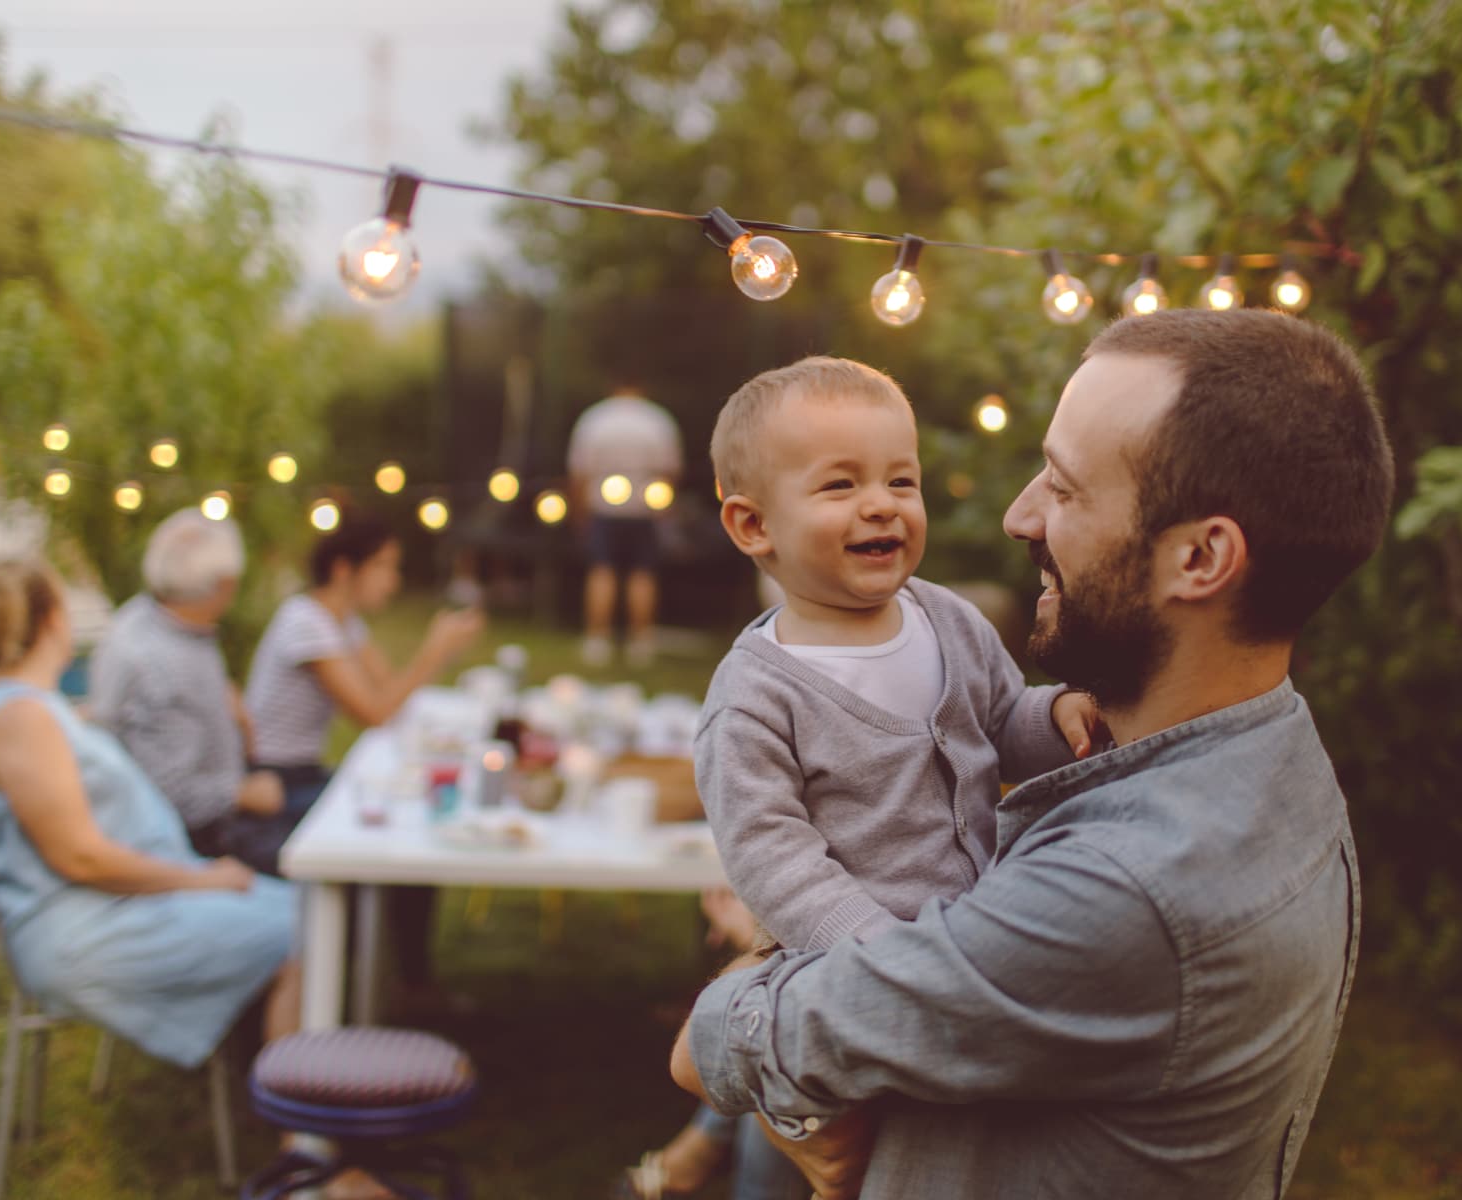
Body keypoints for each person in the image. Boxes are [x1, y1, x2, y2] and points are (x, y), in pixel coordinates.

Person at [670, 310, 1396, 1199]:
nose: (1020, 516)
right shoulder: (1274, 755)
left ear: (1202, 557)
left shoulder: (1126, 892)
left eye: (1063, 486)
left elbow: (707, 1048)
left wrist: (751, 981)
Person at [622, 357, 1097, 1200]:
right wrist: (873, 948)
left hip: (961, 952)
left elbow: (1000, 725)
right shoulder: (756, 695)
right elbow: (772, 856)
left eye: (900, 480)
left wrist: (1055, 719)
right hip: (846, 973)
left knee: (929, 1146)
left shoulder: (946, 620)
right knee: (819, 1157)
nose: (881, 504)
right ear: (751, 525)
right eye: (840, 485)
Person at [0, 559, 299, 1070]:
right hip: (87, 931)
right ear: (52, 622)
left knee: (304, 906)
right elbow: (80, 858)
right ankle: (306, 1132)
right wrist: (200, 879)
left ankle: (288, 1088)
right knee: (310, 926)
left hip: (110, 910)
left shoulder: (3, 704)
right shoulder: (22, 719)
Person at [243, 512, 483, 1003]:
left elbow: (388, 696)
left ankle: (403, 980)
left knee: (413, 824)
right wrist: (434, 652)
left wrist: (431, 659)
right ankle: (398, 985)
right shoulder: (305, 623)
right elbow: (374, 712)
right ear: (343, 570)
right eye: (385, 566)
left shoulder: (342, 623)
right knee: (401, 831)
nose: (393, 581)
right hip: (275, 782)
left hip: (302, 774)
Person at [91, 508, 296, 875]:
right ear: (225, 585)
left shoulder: (145, 618)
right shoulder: (161, 662)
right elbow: (168, 795)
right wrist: (243, 792)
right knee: (338, 862)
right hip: (196, 845)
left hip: (214, 815)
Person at [567, 389, 683, 668]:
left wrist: (580, 512)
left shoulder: (594, 418)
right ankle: (640, 641)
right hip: (644, 507)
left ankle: (598, 640)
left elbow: (579, 471)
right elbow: (670, 470)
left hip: (603, 507)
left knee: (602, 570)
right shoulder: (657, 419)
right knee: (642, 573)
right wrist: (664, 508)